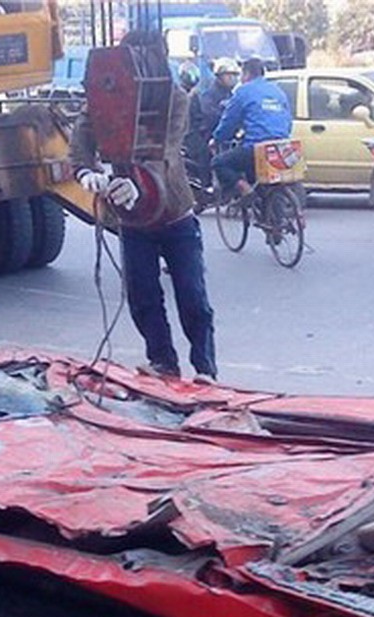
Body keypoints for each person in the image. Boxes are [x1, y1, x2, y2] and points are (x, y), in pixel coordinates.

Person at [69, 31, 217, 383]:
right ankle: (162, 360)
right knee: (142, 294)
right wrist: (86, 170)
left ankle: (205, 368)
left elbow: (166, 149)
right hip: (133, 221)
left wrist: (140, 182)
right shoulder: (108, 97)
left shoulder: (175, 98)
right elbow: (82, 134)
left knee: (192, 295)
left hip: (175, 213)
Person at [210, 57, 293, 198]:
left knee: (219, 163)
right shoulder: (278, 91)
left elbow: (229, 122)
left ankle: (245, 188)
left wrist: (216, 139)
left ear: (247, 74)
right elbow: (288, 122)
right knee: (256, 173)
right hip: (280, 147)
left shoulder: (243, 92)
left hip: (256, 148)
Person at [185, 58, 239, 187]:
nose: (232, 78)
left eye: (234, 75)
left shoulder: (231, 95)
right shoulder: (209, 93)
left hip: (221, 133)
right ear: (219, 76)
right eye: (228, 75)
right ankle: (207, 186)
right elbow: (209, 115)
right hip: (201, 132)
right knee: (206, 153)